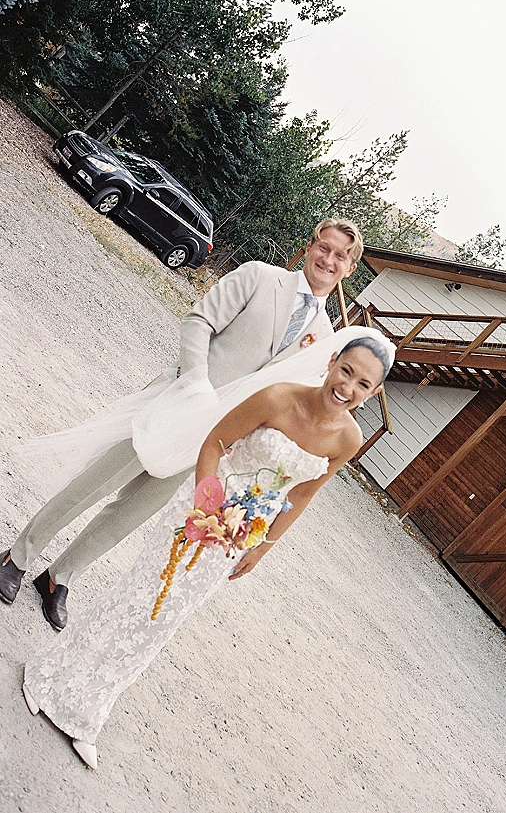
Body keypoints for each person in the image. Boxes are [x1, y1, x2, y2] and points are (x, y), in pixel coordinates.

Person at [20, 329, 395, 769]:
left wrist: (263, 545)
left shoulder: (348, 440)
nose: (348, 388)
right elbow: (216, 441)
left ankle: (87, 712)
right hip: (199, 510)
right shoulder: (277, 397)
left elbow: (302, 495)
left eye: (363, 384)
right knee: (141, 596)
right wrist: (207, 498)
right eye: (346, 371)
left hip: (238, 536)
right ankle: (48, 678)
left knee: (164, 622)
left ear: (373, 393)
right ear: (332, 361)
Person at [0, 218, 363, 631]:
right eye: (324, 247)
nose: (328, 259)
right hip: (176, 402)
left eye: (341, 256)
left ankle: (60, 577)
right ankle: (19, 555)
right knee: (97, 483)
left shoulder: (326, 340)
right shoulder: (261, 277)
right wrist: (196, 386)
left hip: (212, 442)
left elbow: (288, 406)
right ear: (311, 246)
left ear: (349, 268)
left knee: (132, 511)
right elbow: (198, 322)